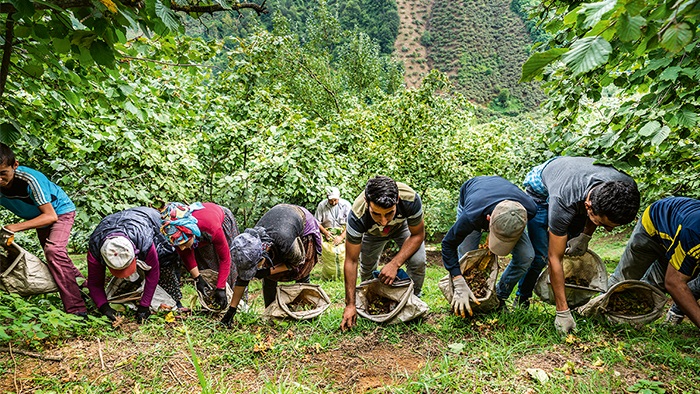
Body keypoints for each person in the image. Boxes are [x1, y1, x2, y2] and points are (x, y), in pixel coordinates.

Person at [516, 156, 639, 334]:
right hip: (541, 193)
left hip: (581, 183)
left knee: (572, 254)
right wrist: (561, 312)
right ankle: (523, 297)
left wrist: (584, 236)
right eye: (603, 225)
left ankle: (572, 303)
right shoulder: (563, 200)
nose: (608, 231)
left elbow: (598, 209)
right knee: (541, 256)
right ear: (588, 207)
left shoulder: (625, 189)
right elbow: (554, 258)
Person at [0, 143, 87, 316]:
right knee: (59, 259)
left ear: (15, 165)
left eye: (3, 173)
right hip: (38, 218)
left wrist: (14, 227)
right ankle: (89, 290)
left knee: (54, 251)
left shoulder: (30, 179)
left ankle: (77, 310)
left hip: (60, 212)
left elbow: (50, 216)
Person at [442, 176, 537, 317]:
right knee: (468, 256)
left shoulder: (529, 208)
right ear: (488, 220)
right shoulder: (471, 216)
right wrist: (457, 279)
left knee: (526, 255)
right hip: (474, 198)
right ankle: (466, 299)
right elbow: (448, 244)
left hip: (511, 215)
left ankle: (498, 297)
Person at [340, 175, 426, 331]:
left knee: (418, 261)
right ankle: (369, 303)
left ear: (398, 200)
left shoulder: (410, 199)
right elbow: (351, 261)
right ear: (367, 203)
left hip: (402, 228)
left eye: (389, 213)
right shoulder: (357, 216)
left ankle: (413, 300)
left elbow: (418, 235)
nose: (384, 221)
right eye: (376, 214)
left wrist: (395, 263)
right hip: (371, 234)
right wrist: (350, 304)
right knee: (367, 268)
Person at [220, 204, 322, 327]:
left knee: (301, 274)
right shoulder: (248, 244)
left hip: (300, 225)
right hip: (278, 225)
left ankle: (306, 313)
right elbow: (242, 280)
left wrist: (267, 272)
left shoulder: (285, 240)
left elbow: (297, 262)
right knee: (269, 279)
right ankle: (270, 313)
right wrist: (231, 310)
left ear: (264, 252)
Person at [608, 197, 700, 329]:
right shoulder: (694, 237)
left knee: (654, 287)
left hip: (679, 235)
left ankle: (629, 322)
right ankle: (594, 311)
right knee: (625, 277)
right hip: (655, 223)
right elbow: (674, 283)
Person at [86, 207, 184, 323]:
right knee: (129, 281)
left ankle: (176, 302)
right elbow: (94, 283)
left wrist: (144, 305)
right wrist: (105, 308)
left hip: (152, 221)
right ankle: (134, 298)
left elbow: (153, 272)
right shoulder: (96, 249)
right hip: (117, 225)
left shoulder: (145, 241)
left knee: (166, 263)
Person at [160, 202, 240, 310]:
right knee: (206, 267)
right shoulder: (176, 231)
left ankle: (235, 304)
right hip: (199, 232)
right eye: (179, 245)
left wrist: (221, 288)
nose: (182, 248)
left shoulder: (212, 228)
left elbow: (225, 258)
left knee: (230, 269)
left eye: (183, 244)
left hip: (218, 220)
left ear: (192, 233)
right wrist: (197, 278)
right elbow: (185, 254)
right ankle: (211, 305)